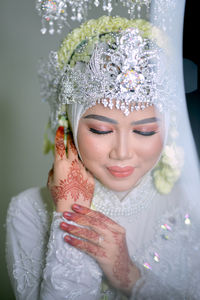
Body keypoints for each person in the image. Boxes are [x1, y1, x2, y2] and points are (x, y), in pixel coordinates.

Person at [6, 4, 200, 300]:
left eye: (144, 131)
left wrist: (130, 277)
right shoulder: (29, 211)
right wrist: (68, 214)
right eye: (100, 130)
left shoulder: (190, 206)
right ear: (67, 128)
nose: (122, 153)